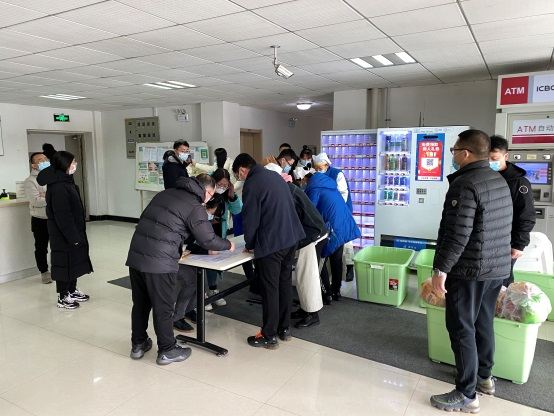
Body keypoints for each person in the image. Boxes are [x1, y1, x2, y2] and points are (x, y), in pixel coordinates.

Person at [429, 130, 512, 413]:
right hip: (495, 268)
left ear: (464, 153)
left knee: (461, 328)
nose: (452, 156)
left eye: (454, 151)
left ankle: (466, 393)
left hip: (469, 270)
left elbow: (457, 234)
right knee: (483, 322)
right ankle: (484, 378)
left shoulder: (464, 184)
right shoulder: (498, 179)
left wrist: (441, 270)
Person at [126, 173, 235, 365]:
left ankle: (138, 344)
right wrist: (228, 245)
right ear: (205, 190)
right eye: (211, 193)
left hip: (137, 255)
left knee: (141, 303)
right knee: (164, 307)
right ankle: (167, 350)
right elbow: (208, 239)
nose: (210, 198)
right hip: (160, 262)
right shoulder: (194, 205)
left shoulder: (165, 193)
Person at [232, 153, 305, 349]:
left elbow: (250, 218)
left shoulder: (252, 183)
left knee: (270, 289)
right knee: (284, 284)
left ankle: (268, 335)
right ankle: (284, 329)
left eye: (238, 175)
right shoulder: (273, 175)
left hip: (272, 243)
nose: (239, 179)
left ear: (242, 170)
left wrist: (250, 244)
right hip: (291, 238)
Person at [37, 151, 93, 309]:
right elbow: (62, 215)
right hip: (63, 234)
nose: (75, 164)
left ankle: (72, 290)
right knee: (64, 263)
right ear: (65, 164)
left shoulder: (67, 181)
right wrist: (73, 236)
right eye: (73, 162)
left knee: (74, 262)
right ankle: (63, 296)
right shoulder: (59, 187)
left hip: (73, 230)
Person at [301, 171, 360, 304]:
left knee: (319, 260)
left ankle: (326, 293)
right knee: (336, 259)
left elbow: (310, 211)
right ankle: (336, 291)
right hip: (342, 226)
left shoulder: (314, 188)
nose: (303, 184)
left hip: (331, 230)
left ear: (306, 179)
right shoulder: (329, 185)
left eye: (302, 181)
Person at [489, 135, 536, 286]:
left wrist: (519, 244)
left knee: (502, 281)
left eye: (494, 158)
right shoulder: (484, 177)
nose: (490, 162)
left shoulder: (519, 183)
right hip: (486, 241)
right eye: (486, 158)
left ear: (505, 156)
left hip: (507, 243)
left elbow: (526, 215)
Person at [172, 196, 222, 333]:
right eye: (212, 213)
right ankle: (176, 318)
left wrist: (207, 250)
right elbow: (184, 243)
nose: (212, 218)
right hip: (169, 255)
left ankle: (188, 310)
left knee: (199, 281)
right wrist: (209, 249)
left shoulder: (196, 216)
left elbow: (189, 244)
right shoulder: (192, 217)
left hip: (181, 253)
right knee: (191, 282)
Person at [203, 169, 243, 309]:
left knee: (214, 262)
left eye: (225, 185)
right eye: (220, 184)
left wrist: (231, 196)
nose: (222, 188)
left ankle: (213, 289)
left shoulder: (227, 195)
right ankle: (200, 295)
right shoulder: (205, 193)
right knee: (201, 263)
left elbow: (238, 210)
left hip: (219, 231)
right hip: (203, 231)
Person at [313, 152, 356, 282]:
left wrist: (332, 213)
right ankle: (329, 286)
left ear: (327, 165)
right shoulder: (316, 176)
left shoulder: (337, 174)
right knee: (327, 253)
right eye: (316, 168)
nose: (318, 170)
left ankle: (338, 284)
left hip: (339, 216)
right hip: (325, 219)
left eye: (320, 168)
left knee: (337, 252)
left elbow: (343, 195)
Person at [24, 152, 53, 284]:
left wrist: (45, 195)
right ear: (34, 165)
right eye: (40, 160)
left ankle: (57, 269)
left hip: (54, 218)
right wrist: (50, 197)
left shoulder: (53, 176)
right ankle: (44, 272)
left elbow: (59, 196)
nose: (45, 161)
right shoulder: (30, 181)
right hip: (40, 219)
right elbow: (36, 201)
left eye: (45, 158)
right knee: (41, 247)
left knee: (57, 246)